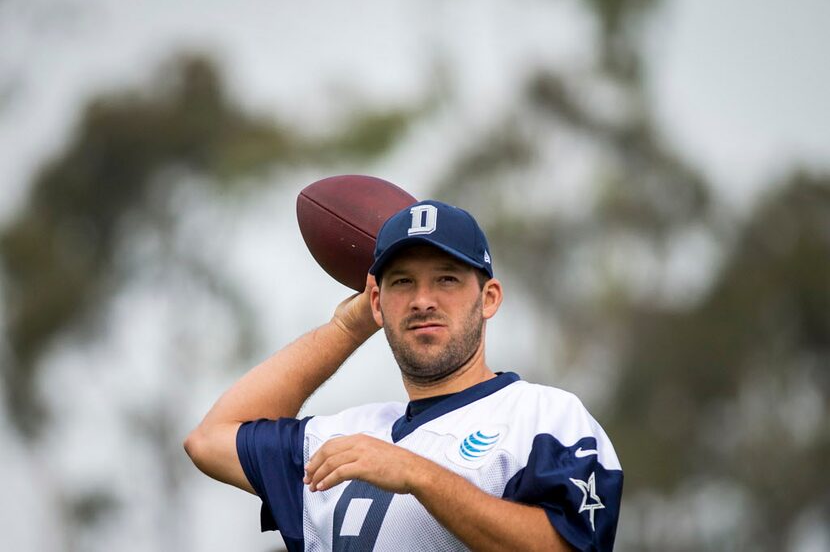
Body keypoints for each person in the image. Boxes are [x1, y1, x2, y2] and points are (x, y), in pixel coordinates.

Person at [184, 199, 623, 551]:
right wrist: (347, 326)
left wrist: (420, 474)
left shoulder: (545, 417)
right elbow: (210, 440)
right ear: (377, 301)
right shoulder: (342, 439)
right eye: (402, 283)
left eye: (447, 279)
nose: (422, 300)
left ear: (488, 298)